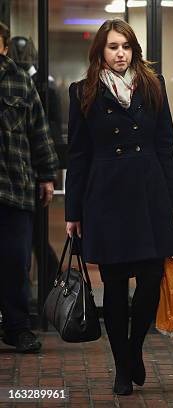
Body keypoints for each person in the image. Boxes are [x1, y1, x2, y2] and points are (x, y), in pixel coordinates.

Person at [65, 19, 173, 395]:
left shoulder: (153, 86)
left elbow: (165, 146)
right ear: (100, 50)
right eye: (113, 46)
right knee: (114, 287)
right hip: (106, 197)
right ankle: (120, 367)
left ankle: (134, 350)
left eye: (126, 47)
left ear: (135, 50)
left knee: (150, 280)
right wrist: (73, 213)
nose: (120, 54)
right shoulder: (83, 91)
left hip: (149, 194)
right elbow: (78, 155)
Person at [0, 21, 58, 353]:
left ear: (5, 47)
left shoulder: (20, 82)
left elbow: (39, 132)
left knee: (15, 262)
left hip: (15, 188)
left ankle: (17, 327)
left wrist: (47, 175)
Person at [8, 35, 61, 286]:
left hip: (29, 171)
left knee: (33, 238)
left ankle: (50, 285)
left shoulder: (40, 83)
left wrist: (47, 171)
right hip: (17, 171)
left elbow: (46, 129)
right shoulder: (17, 80)